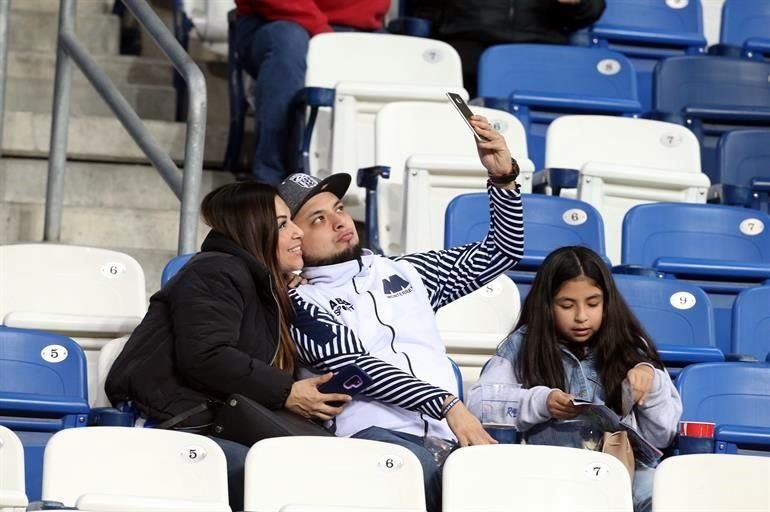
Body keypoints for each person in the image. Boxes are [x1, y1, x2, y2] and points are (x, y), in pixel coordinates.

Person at [277, 115, 524, 512]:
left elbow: (501, 252)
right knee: (419, 470)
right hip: (371, 439)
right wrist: (449, 405)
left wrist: (504, 181)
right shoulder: (300, 302)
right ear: (292, 236)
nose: (340, 221)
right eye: (318, 219)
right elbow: (361, 369)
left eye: (339, 208)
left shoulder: (407, 271)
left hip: (445, 438)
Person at [105, 182, 351, 511]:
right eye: (282, 224)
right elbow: (206, 356)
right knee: (276, 474)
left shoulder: (263, 283)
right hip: (176, 422)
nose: (297, 233)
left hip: (217, 422)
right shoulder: (216, 271)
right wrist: (287, 392)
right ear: (253, 231)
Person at [468, 246, 682, 512]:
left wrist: (654, 386)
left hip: (618, 472)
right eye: (567, 305)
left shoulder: (630, 350)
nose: (581, 316)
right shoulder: (522, 345)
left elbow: (663, 436)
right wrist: (541, 402)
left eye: (593, 303)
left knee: (660, 492)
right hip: (547, 475)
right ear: (546, 305)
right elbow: (480, 405)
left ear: (608, 302)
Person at [232, 0, 390, 183]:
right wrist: (325, 34)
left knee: (402, 58)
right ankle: (273, 182)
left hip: (358, 27)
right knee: (288, 44)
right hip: (275, 19)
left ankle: (376, 187)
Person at [412, 0, 606, 96]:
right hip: (466, 44)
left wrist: (577, 4)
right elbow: (422, 9)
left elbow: (591, 11)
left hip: (540, 51)